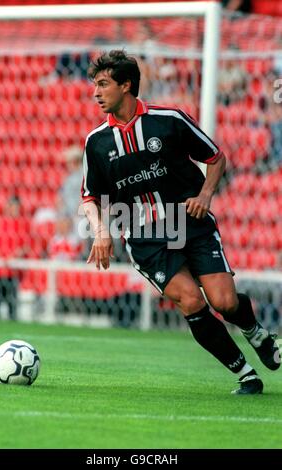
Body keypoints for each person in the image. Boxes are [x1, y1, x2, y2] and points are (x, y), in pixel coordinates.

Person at [80, 50, 280, 395]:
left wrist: (204, 196)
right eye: (95, 85)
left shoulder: (169, 120)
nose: (96, 93)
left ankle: (256, 333)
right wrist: (100, 232)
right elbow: (90, 197)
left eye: (103, 84)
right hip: (145, 236)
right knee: (191, 301)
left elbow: (216, 157)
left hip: (191, 222)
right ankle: (246, 374)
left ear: (127, 85)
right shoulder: (96, 143)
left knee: (225, 302)